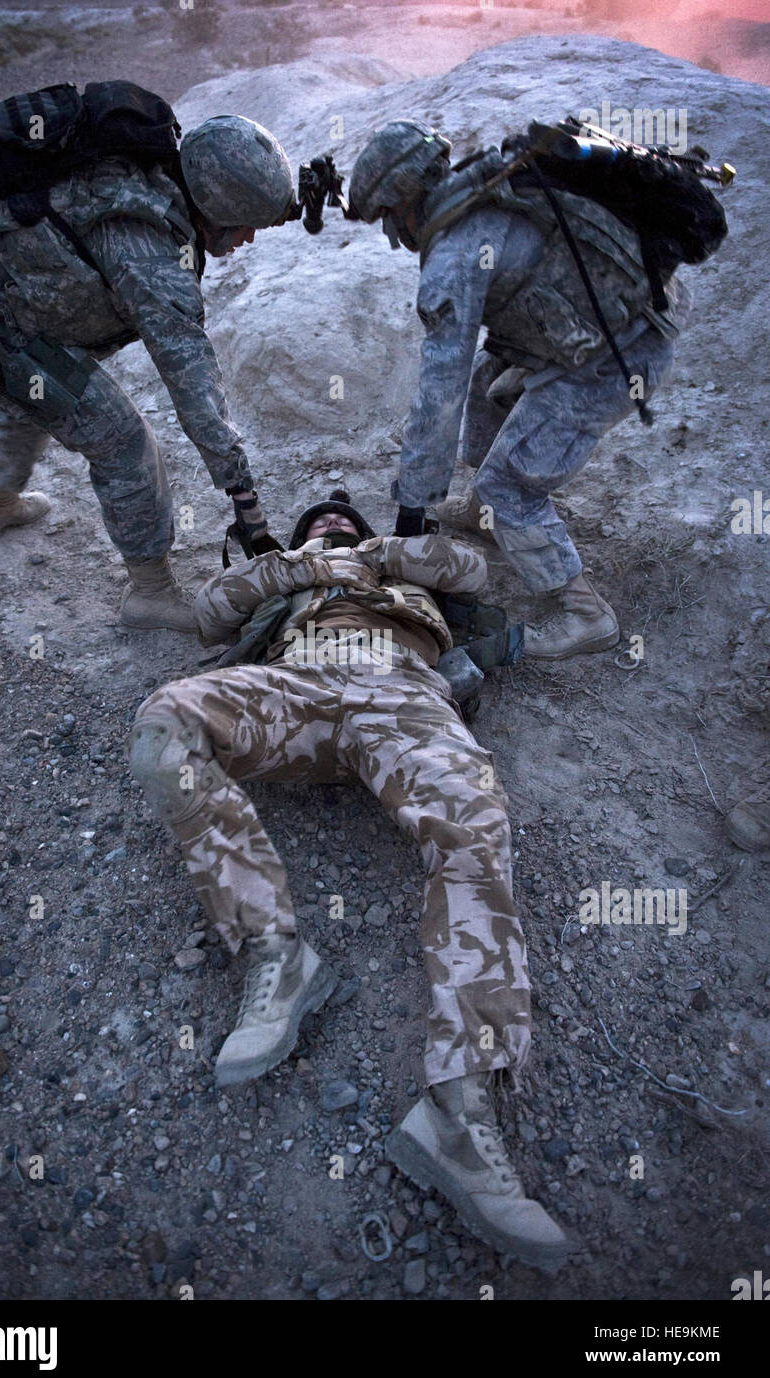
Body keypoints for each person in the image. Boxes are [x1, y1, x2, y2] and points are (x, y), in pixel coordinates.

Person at [127, 489, 569, 1269]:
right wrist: (296, 565)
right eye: (316, 520)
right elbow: (210, 610)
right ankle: (276, 955)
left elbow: (466, 566)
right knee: (166, 726)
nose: (330, 522)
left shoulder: (407, 568)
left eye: (343, 519)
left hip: (406, 696)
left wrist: (378, 555)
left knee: (475, 827)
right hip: (297, 691)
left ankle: (460, 1113)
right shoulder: (286, 573)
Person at [0, 108, 293, 630]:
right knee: (121, 439)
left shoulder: (151, 176)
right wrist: (244, 496)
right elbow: (192, 381)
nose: (248, 237)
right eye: (248, 222)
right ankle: (151, 593)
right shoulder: (151, 256)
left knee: (42, 396)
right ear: (220, 203)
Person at [347, 120, 695, 659]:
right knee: (492, 381)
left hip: (617, 361)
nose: (393, 235)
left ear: (403, 198)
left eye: (388, 217)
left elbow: (440, 391)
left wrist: (413, 509)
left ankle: (586, 614)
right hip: (608, 334)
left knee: (512, 486)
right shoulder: (486, 191)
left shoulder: (454, 256)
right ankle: (489, 507)